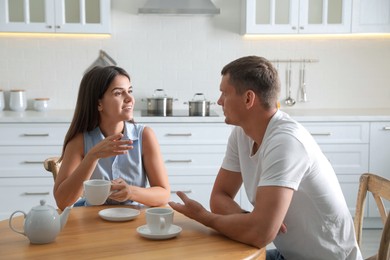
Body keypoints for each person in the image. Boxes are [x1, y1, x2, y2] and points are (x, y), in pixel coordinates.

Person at [169, 56, 363, 260]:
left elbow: (260, 235)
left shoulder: (286, 142)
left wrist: (204, 217)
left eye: (224, 93)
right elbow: (220, 197)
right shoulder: (242, 134)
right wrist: (252, 221)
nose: (219, 101)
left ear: (248, 99)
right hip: (288, 254)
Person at [54, 66, 170, 211]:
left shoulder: (145, 136)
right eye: (118, 93)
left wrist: (131, 192)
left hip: (134, 222)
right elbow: (62, 202)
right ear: (98, 103)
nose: (129, 99)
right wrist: (92, 156)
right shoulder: (79, 141)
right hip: (93, 223)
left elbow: (164, 194)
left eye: (130, 91)